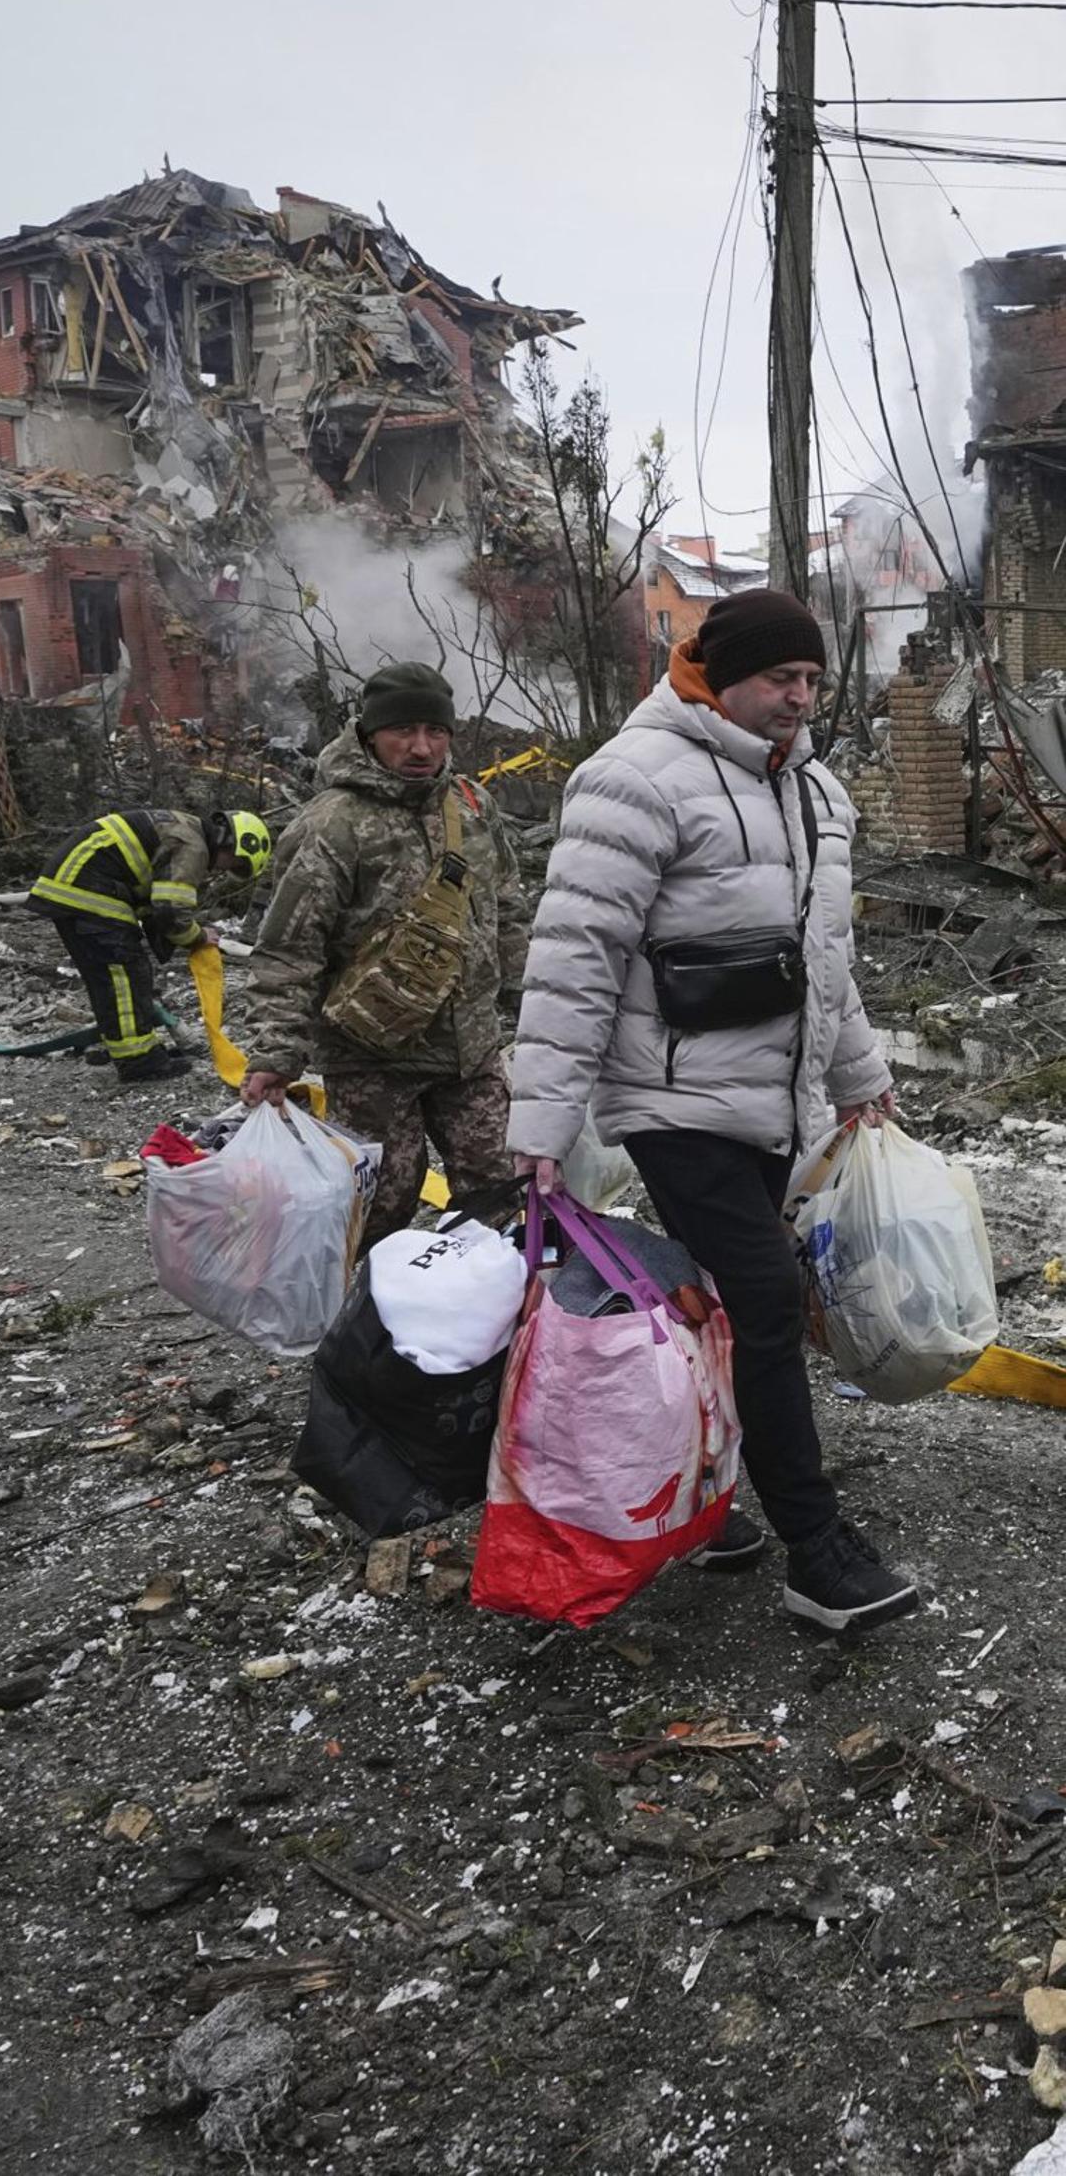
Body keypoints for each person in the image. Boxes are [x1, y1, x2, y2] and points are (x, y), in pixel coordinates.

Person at [508, 588, 919, 1634]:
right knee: (769, 1299)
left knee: (724, 1306)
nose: (801, 696)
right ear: (722, 673)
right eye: (782, 677)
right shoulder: (633, 779)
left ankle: (702, 1500)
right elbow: (573, 957)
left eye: (813, 678)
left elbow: (827, 960)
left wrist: (859, 1073)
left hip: (774, 1100)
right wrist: (543, 1125)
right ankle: (815, 1549)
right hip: (670, 1098)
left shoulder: (815, 791)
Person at [242, 661, 527, 1247]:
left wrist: (536, 1007)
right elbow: (289, 948)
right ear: (370, 734)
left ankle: (488, 1301)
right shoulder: (333, 823)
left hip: (470, 1052)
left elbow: (508, 909)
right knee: (381, 1203)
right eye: (403, 731)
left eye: (436, 731)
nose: (421, 747)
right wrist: (276, 1053)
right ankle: (367, 1302)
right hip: (371, 1058)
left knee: (501, 1192)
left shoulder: (471, 806)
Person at [29, 807, 270, 1084]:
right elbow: (170, 910)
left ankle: (131, 1048)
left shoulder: (185, 829)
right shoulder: (194, 847)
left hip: (78, 885)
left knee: (114, 976)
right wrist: (198, 936)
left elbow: (152, 898)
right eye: (235, 863)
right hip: (88, 890)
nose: (222, 869)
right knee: (124, 974)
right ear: (230, 841)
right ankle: (138, 1061)